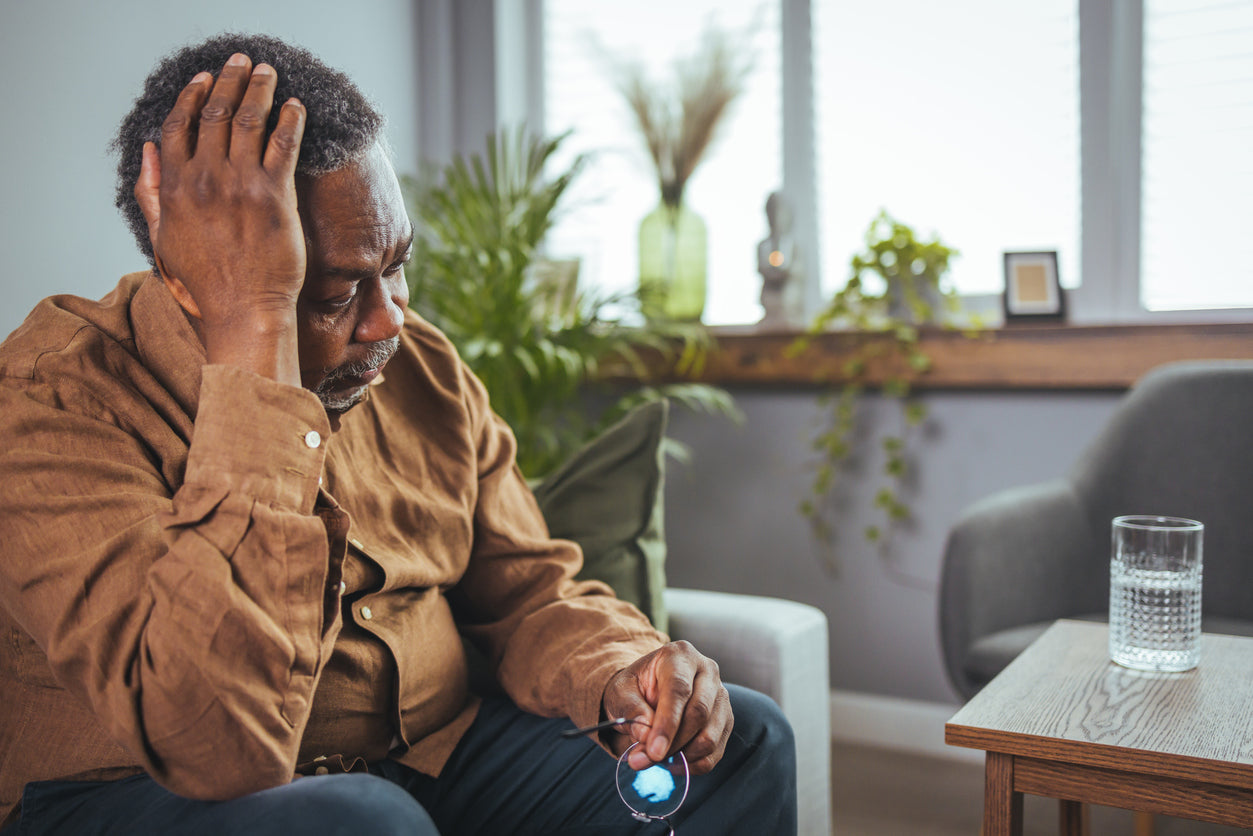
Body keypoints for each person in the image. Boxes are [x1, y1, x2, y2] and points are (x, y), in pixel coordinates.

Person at [0, 33, 796, 835]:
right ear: (193, 276)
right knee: (361, 820)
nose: (388, 320)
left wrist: (623, 666)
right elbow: (215, 745)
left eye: (397, 266)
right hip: (134, 792)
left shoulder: (424, 370)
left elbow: (529, 597)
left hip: (432, 758)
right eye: (333, 294)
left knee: (748, 740)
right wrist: (256, 338)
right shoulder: (53, 399)